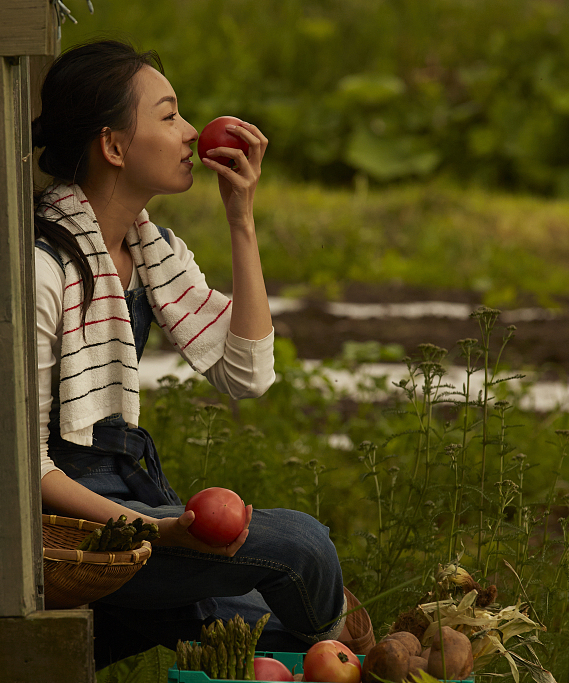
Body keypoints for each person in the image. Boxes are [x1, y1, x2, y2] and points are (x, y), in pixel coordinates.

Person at [31, 39, 374, 666]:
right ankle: (341, 649)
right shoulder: (45, 271)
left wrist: (241, 219)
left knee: (276, 640)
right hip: (73, 535)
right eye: (167, 116)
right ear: (112, 146)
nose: (190, 132)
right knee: (304, 548)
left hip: (135, 502)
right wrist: (152, 531)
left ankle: (333, 651)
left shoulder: (148, 251)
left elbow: (246, 374)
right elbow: (22, 465)